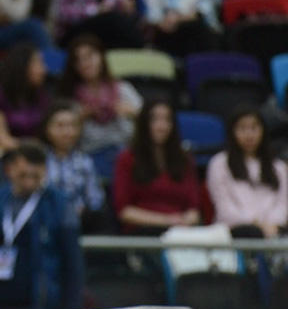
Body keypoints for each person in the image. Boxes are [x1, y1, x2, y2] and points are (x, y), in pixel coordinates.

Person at [0, 142, 83, 309]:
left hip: (40, 303)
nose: (29, 181)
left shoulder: (59, 204)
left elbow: (72, 261)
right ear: (10, 170)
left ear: (44, 171)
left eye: (35, 176)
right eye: (23, 175)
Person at [114, 101, 202, 234]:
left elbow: (194, 210)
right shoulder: (127, 159)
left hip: (180, 232)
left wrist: (184, 221)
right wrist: (166, 221)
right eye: (155, 120)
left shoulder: (184, 160)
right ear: (144, 123)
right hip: (143, 232)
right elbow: (124, 211)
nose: (162, 126)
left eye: (167, 120)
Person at [206, 106, 287, 239]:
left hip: (273, 232)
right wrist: (255, 224)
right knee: (251, 233)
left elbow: (282, 205)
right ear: (232, 132)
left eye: (254, 128)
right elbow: (224, 207)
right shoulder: (219, 163)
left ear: (263, 131)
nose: (249, 135)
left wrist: (272, 225)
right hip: (234, 232)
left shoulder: (278, 167)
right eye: (242, 128)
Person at [58, 34, 141, 159]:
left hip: (125, 151)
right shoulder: (69, 96)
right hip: (88, 155)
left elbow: (149, 119)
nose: (85, 63)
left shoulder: (123, 88)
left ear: (101, 56)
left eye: (89, 56)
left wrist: (133, 113)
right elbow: (59, 136)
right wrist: (77, 119)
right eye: (78, 60)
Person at [39, 99, 108, 232]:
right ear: (47, 129)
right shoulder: (39, 160)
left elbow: (95, 200)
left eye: (72, 126)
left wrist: (84, 210)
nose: (67, 132)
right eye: (60, 126)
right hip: (43, 222)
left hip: (80, 223)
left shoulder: (85, 161)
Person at [0, 43, 51, 155]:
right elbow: (2, 140)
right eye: (38, 63)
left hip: (38, 155)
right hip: (9, 155)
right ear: (22, 66)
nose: (44, 70)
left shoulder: (41, 95)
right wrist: (35, 147)